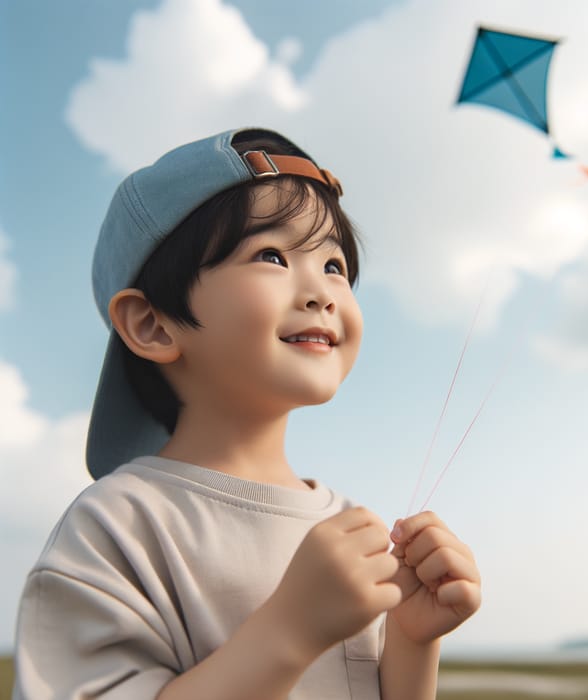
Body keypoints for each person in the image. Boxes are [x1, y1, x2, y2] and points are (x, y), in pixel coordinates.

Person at [12, 127, 481, 700]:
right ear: (152, 324)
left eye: (335, 265)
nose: (322, 292)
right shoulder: (120, 526)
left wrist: (412, 642)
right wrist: (290, 631)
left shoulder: (351, 523)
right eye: (272, 255)